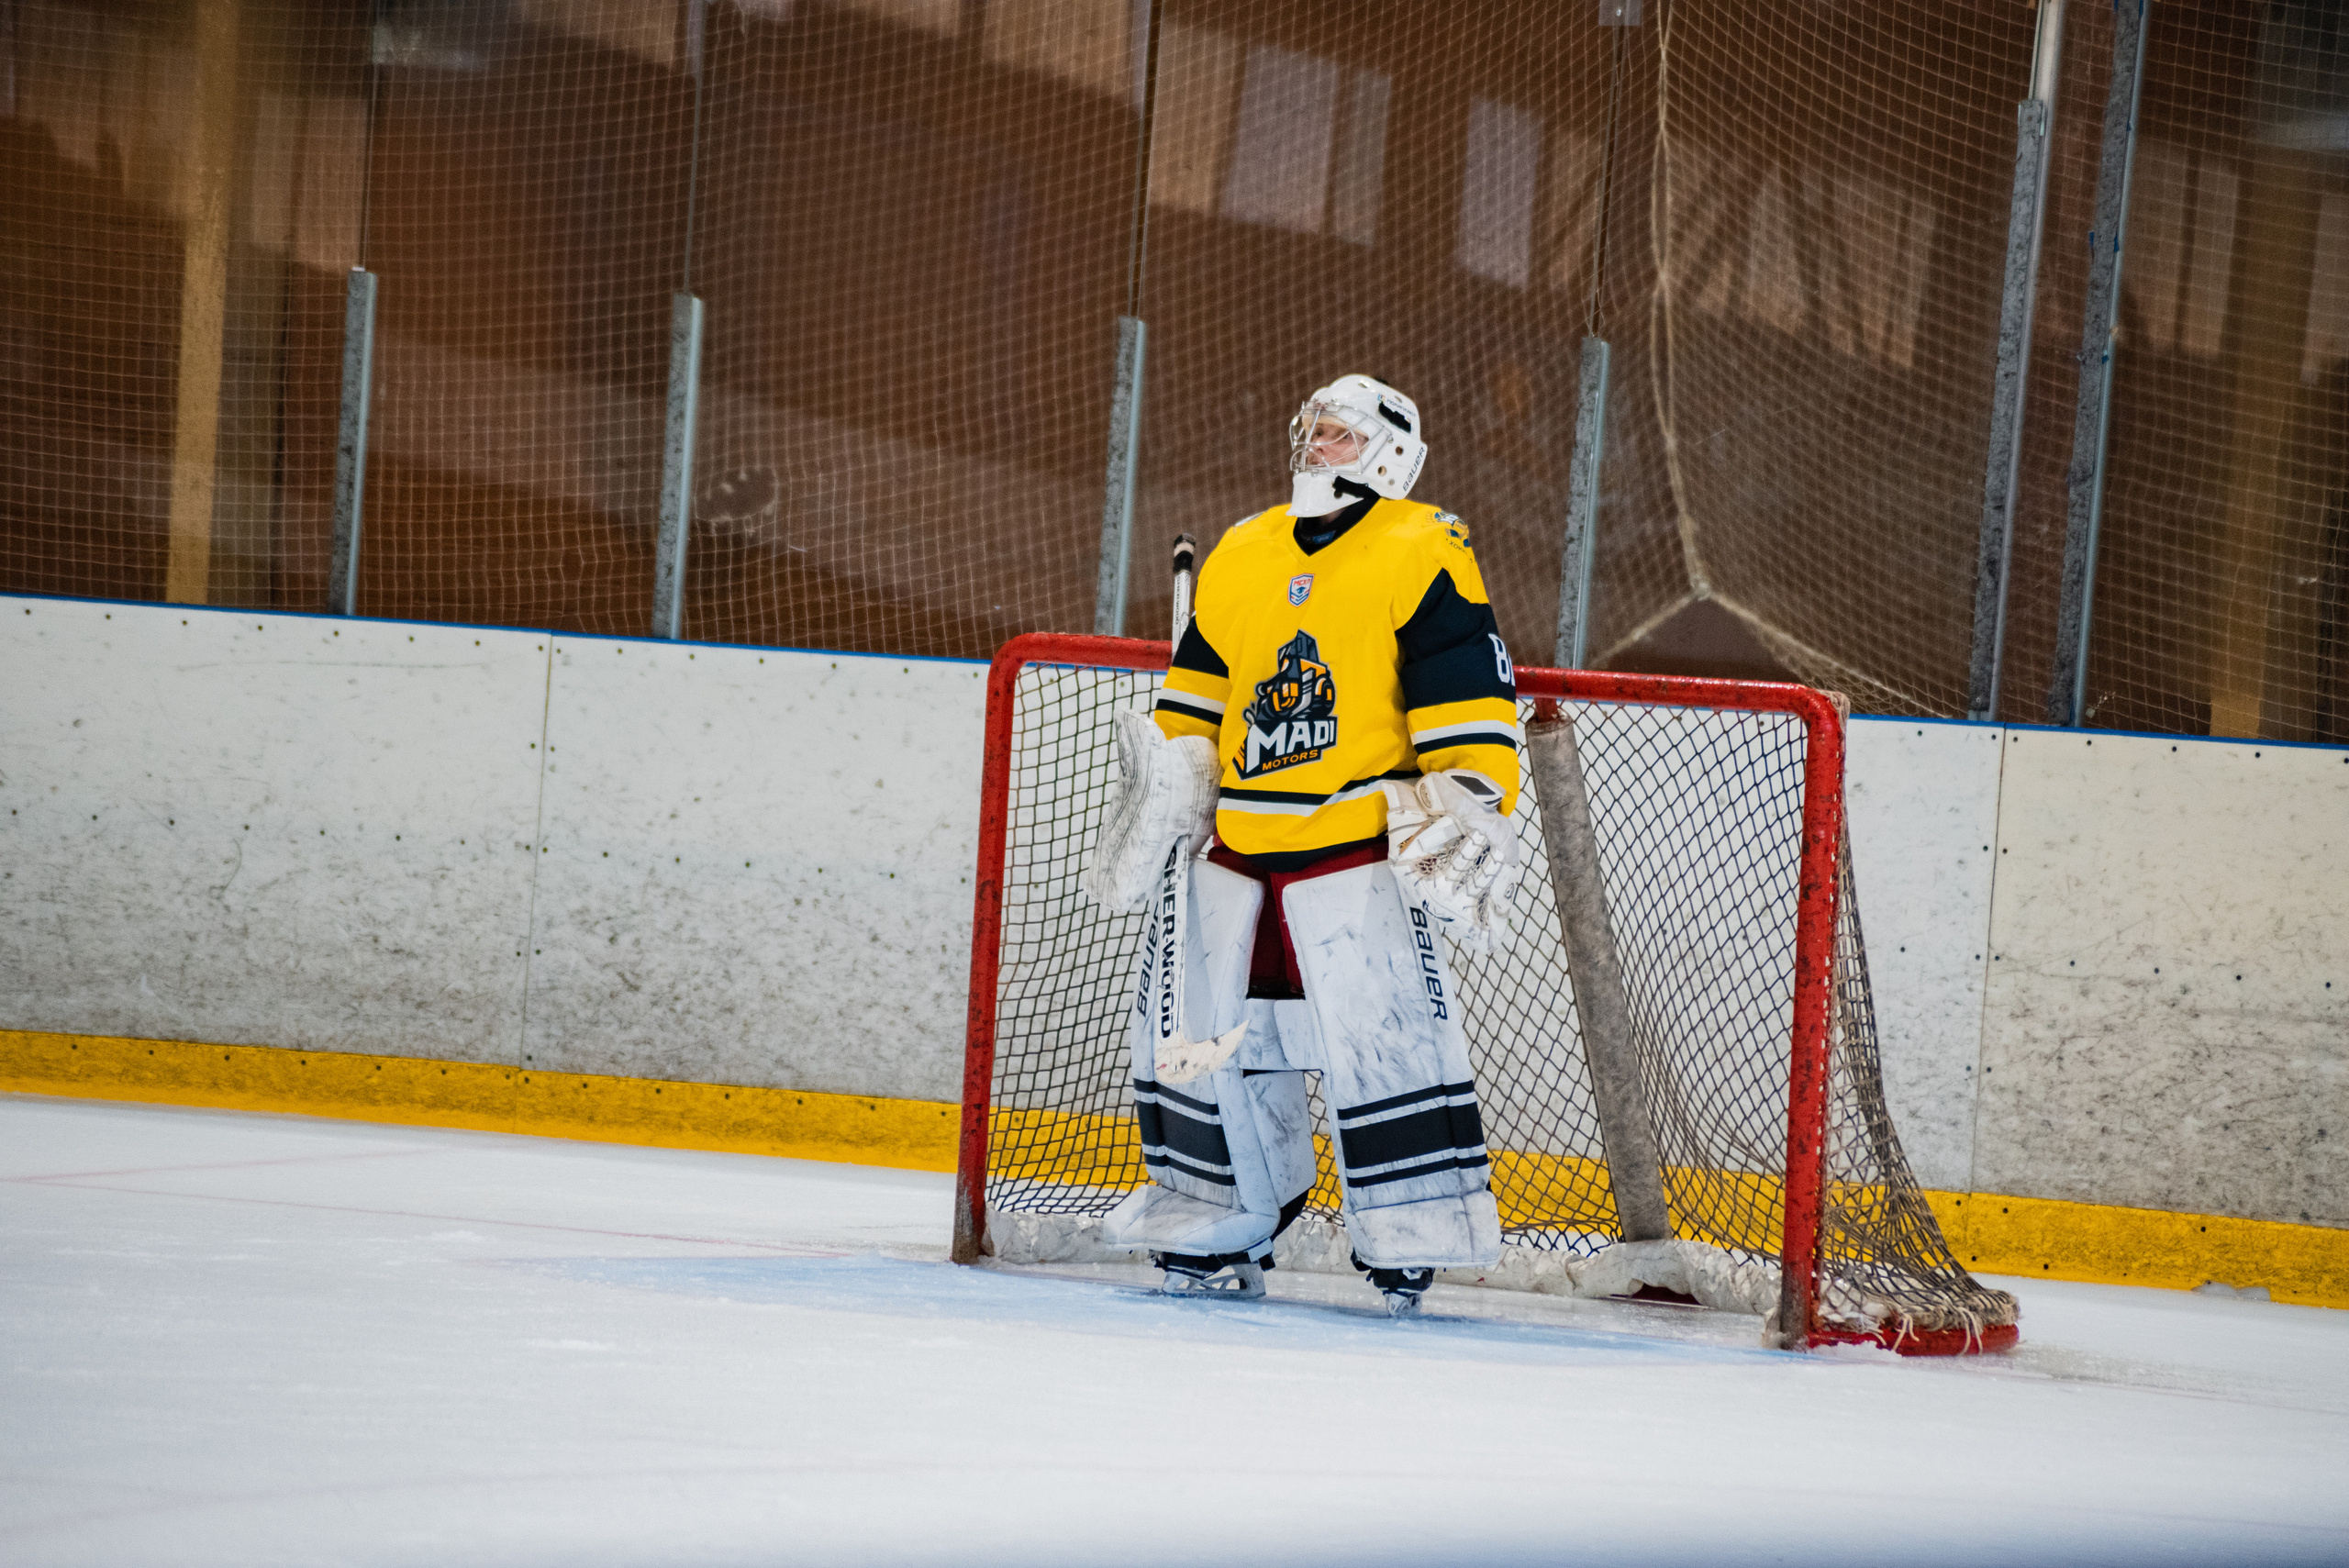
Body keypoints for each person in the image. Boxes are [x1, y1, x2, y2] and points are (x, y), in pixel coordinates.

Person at [1079, 373, 1524, 1317]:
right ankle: (1216, 1210)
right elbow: (1195, 694)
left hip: (1351, 846)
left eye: (1334, 433)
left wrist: (1474, 788)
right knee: (1209, 1042)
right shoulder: (1243, 548)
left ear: (1390, 450)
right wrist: (1171, 779)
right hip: (1238, 845)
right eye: (1311, 430)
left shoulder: (1422, 544)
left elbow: (1463, 684)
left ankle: (1411, 1231)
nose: (1313, 446)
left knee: (1385, 1046)